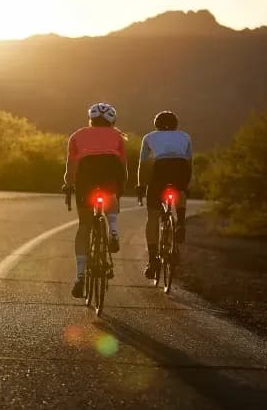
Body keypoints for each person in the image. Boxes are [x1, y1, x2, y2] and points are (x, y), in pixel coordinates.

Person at [62, 102, 128, 298]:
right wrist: (121, 188)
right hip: (110, 170)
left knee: (84, 226)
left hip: (86, 174)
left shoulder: (77, 135)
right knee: (110, 196)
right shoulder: (118, 136)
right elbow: (123, 167)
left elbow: (71, 167)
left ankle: (80, 277)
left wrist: (68, 184)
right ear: (112, 121)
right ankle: (114, 231)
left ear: (90, 119)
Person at [136, 110, 192, 279]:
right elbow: (189, 162)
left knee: (153, 215)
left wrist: (140, 185)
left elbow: (144, 164)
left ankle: (153, 260)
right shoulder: (185, 136)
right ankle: (181, 222)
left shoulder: (149, 137)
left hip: (161, 168)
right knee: (179, 191)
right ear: (176, 125)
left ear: (157, 125)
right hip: (181, 167)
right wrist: (187, 185)